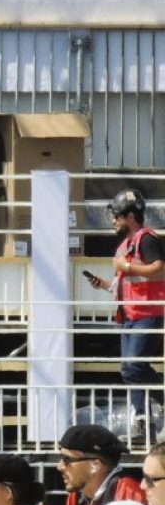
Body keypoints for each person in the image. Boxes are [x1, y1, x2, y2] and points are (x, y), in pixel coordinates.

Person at [84, 189, 165, 443]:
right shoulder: (124, 246)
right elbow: (127, 284)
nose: (113, 221)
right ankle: (142, 417)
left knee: (133, 366)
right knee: (129, 369)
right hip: (130, 315)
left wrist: (127, 266)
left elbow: (159, 267)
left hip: (148, 313)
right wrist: (106, 285)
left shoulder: (146, 239)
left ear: (131, 216)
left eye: (117, 216)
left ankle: (152, 405)